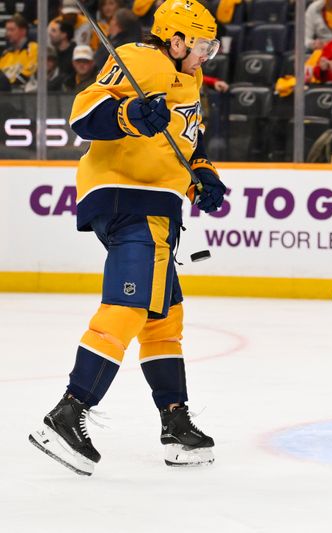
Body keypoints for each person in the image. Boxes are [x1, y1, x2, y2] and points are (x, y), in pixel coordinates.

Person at [29, 0, 225, 476]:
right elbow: (83, 114)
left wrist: (202, 171)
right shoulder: (142, 58)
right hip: (127, 197)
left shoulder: (189, 79)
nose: (206, 53)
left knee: (164, 316)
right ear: (175, 40)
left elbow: (185, 140)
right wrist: (132, 113)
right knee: (130, 304)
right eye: (200, 45)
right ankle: (68, 412)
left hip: (156, 204)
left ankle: (175, 422)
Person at [0, 14, 37, 91]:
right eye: (7, 30)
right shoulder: (6, 54)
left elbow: (28, 74)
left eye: (12, 30)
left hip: (21, 92)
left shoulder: (33, 48)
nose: (8, 33)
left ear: (23, 31)